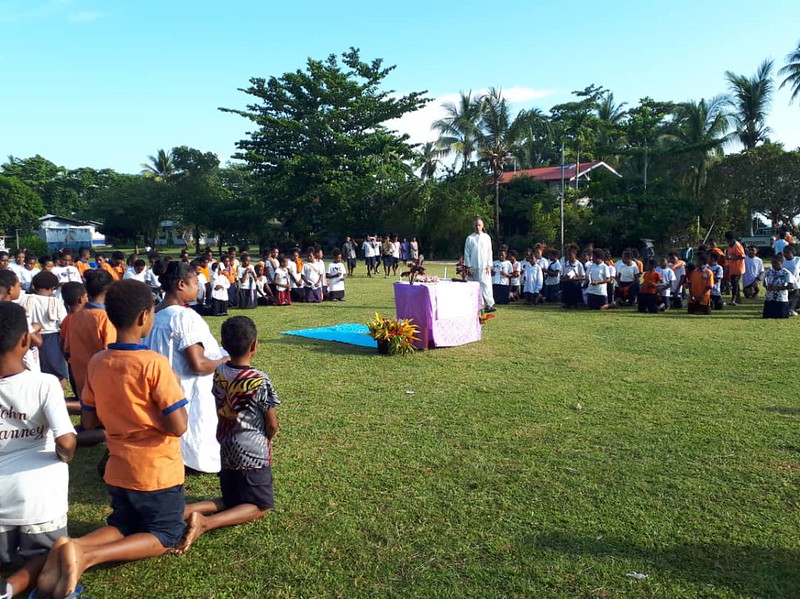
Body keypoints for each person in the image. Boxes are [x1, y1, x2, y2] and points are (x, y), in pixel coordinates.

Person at [34, 280, 188, 599]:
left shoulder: (98, 361)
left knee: (125, 523)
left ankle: (73, 544)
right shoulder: (154, 364)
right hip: (156, 470)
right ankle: (87, 555)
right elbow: (178, 426)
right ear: (144, 316)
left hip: (118, 468)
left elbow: (89, 421)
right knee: (166, 533)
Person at [174, 316, 280, 554]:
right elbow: (272, 423)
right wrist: (267, 438)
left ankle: (185, 511)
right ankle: (205, 523)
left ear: (223, 343)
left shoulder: (219, 371)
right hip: (252, 453)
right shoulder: (258, 380)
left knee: (233, 499)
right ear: (254, 345)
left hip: (225, 446)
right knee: (261, 505)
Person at [0, 303, 76, 599]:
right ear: (24, 340)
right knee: (52, 556)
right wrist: (64, 459)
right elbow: (66, 441)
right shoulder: (44, 384)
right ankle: (10, 587)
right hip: (37, 498)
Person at [144, 262, 228, 474]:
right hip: (186, 388)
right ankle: (193, 461)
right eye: (195, 283)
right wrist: (224, 360)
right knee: (194, 426)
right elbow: (198, 364)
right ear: (181, 284)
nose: (199, 287)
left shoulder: (154, 314)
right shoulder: (184, 316)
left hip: (161, 387)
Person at [64, 270, 116, 403]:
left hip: (81, 378)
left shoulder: (74, 317)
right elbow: (111, 352)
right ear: (108, 291)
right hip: (102, 378)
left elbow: (67, 348)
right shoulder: (105, 318)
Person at [21, 272, 68, 388]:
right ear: (53, 288)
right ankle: (58, 395)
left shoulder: (24, 299)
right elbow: (63, 322)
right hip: (51, 339)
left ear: (33, 286)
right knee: (58, 373)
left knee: (32, 371)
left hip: (28, 338)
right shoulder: (56, 302)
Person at [463, 219, 495, 312]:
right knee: (474, 285)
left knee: (486, 285)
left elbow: (489, 251)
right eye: (476, 225)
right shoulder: (470, 238)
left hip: (484, 266)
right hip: (473, 266)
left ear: (482, 226)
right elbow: (467, 253)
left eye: (479, 225)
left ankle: (489, 304)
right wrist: (468, 266)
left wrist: (489, 265)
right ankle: (475, 305)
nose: (478, 227)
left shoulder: (486, 237)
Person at [763, 254, 794, 319]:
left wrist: (777, 288)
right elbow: (764, 282)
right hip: (769, 298)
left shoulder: (786, 273)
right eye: (772, 263)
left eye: (776, 263)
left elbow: (791, 286)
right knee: (768, 316)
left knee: (781, 316)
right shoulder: (769, 272)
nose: (773, 265)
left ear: (781, 263)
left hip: (781, 299)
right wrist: (767, 287)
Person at [723, 231, 745, 306]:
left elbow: (742, 256)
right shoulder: (730, 245)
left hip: (738, 268)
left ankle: (733, 300)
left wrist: (731, 258)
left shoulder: (737, 245)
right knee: (735, 284)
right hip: (732, 268)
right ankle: (737, 299)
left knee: (734, 283)